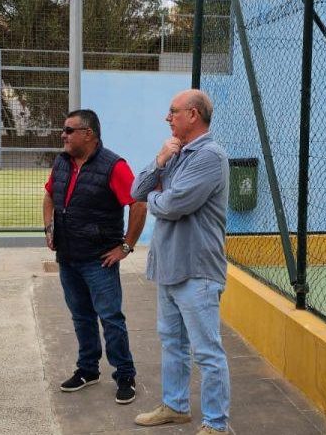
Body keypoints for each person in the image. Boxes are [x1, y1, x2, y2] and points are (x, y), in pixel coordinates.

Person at [130, 89, 231, 435]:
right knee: (172, 342)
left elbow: (173, 204)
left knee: (207, 351)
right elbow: (136, 192)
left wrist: (157, 197)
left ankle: (216, 424)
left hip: (197, 270)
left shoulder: (209, 157)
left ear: (193, 114)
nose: (167, 118)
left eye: (172, 111)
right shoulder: (173, 153)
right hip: (170, 268)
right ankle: (175, 406)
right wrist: (158, 161)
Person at [43, 109, 147, 405]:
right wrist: (49, 227)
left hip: (99, 260)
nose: (63, 135)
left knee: (111, 317)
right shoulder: (62, 162)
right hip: (68, 257)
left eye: (68, 130)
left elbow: (138, 204)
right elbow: (49, 195)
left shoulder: (114, 166)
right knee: (81, 317)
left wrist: (125, 247)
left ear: (88, 134)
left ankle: (125, 374)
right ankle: (88, 370)